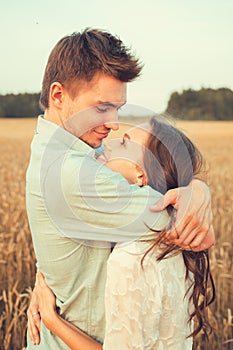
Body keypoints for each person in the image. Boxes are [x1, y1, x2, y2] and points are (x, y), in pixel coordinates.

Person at [26, 28, 215, 348]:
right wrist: (196, 194)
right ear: (59, 96)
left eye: (117, 108)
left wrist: (197, 188)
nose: (114, 123)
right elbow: (178, 224)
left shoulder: (73, 149)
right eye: (101, 108)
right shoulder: (72, 171)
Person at [32, 117, 215, 349]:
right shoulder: (177, 245)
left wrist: (51, 320)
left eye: (125, 144)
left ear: (141, 176)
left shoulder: (130, 259)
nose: (109, 142)